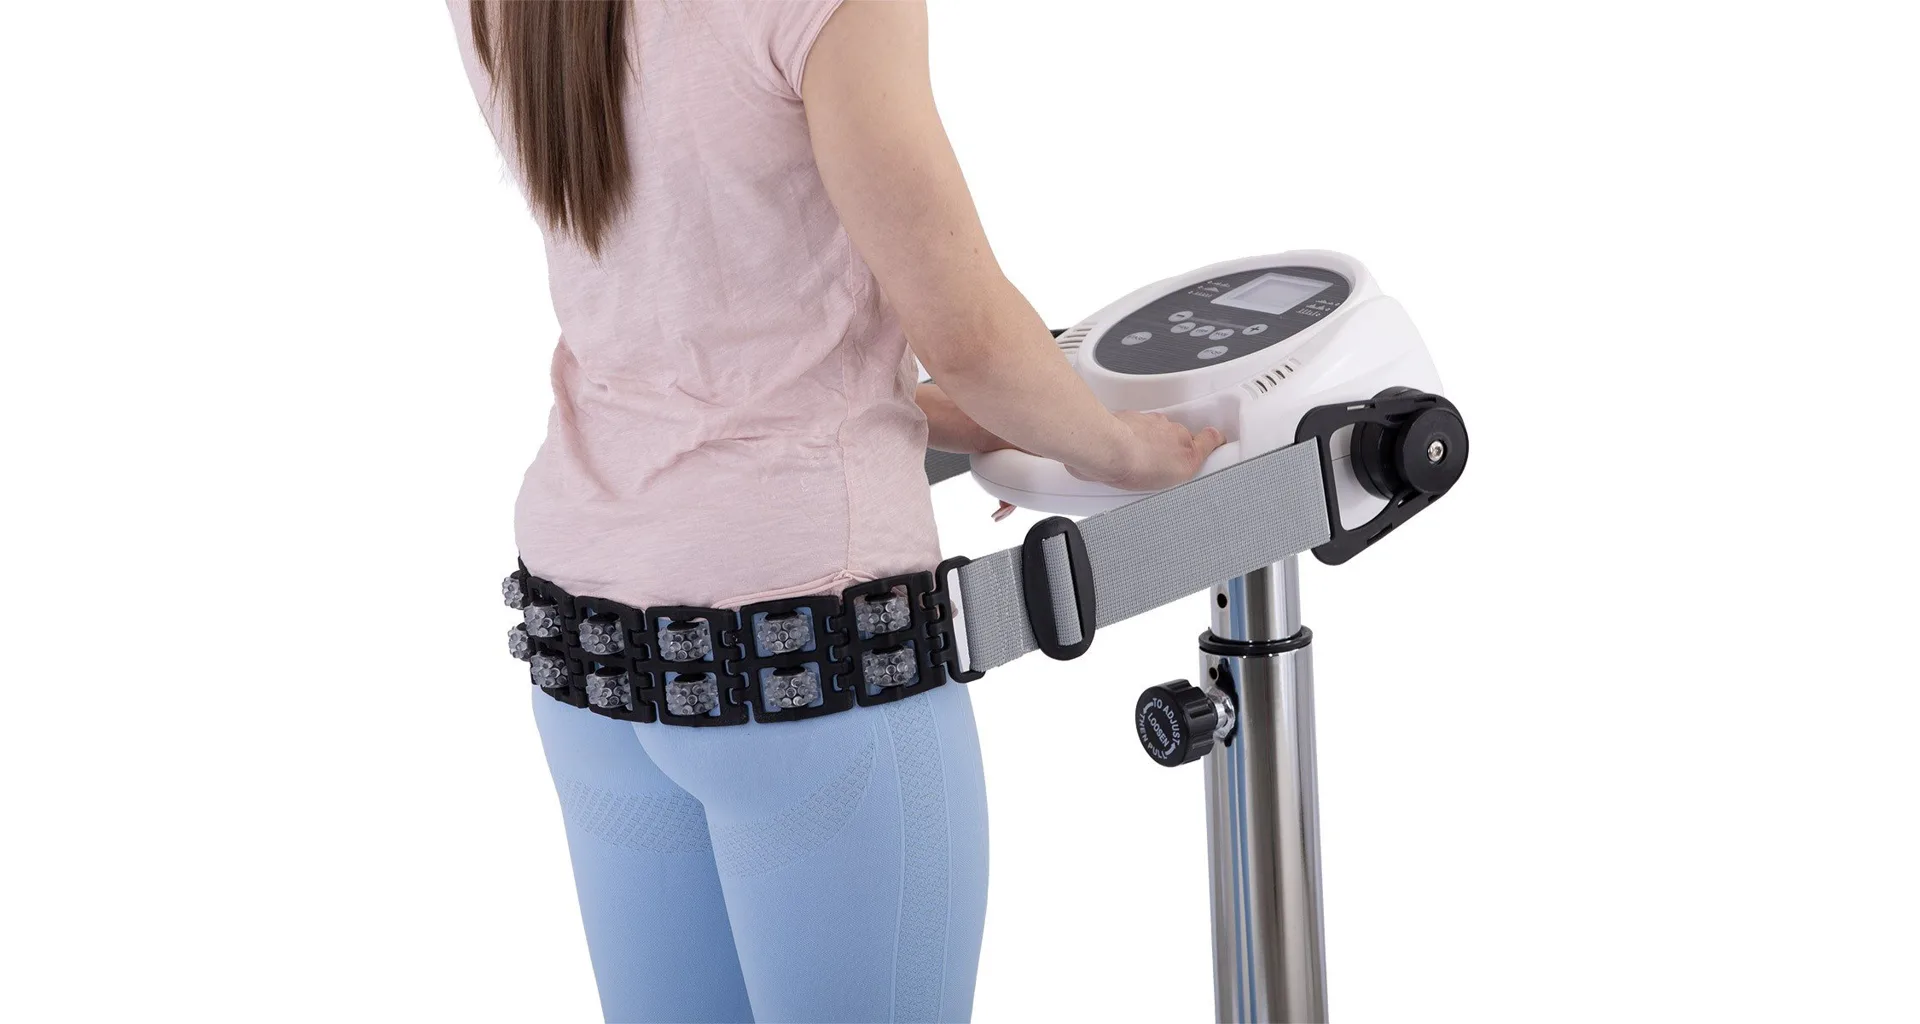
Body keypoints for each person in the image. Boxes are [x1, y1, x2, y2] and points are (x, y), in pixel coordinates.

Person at [446, 2, 1222, 1021]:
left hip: (590, 658)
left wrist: (960, 414)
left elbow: (678, 303)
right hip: (809, 657)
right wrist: (1119, 449)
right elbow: (969, 334)